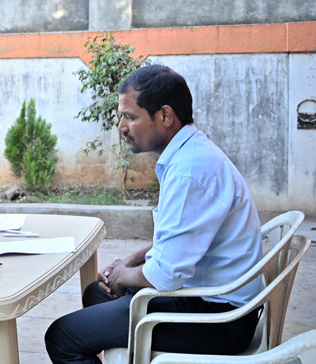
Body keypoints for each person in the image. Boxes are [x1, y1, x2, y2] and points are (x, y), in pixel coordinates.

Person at [45, 65, 264, 363]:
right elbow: (180, 239)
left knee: (62, 337)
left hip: (219, 318)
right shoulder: (189, 154)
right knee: (97, 293)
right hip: (208, 298)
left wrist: (124, 275)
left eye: (130, 117)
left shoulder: (189, 171)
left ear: (165, 116)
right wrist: (129, 263)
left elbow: (166, 276)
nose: (122, 126)